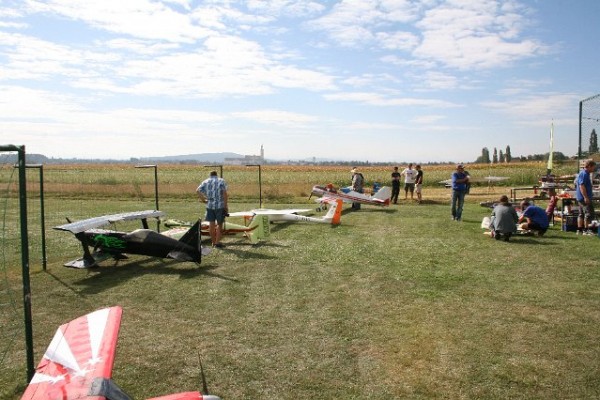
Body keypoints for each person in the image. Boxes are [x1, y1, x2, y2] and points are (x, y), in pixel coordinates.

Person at [196, 170, 228, 248]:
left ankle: (213, 242)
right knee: (219, 225)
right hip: (220, 205)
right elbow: (225, 194)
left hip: (210, 205)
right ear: (216, 175)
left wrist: (204, 200)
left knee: (211, 225)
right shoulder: (221, 181)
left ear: (210, 175)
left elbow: (197, 190)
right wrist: (225, 205)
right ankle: (217, 243)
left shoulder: (205, 181)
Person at [575, 160, 596, 235]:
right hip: (583, 198)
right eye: (593, 167)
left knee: (581, 214)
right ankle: (586, 230)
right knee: (589, 214)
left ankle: (580, 230)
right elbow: (581, 186)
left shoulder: (585, 174)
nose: (594, 169)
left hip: (581, 197)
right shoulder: (584, 174)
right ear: (589, 166)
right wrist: (586, 197)